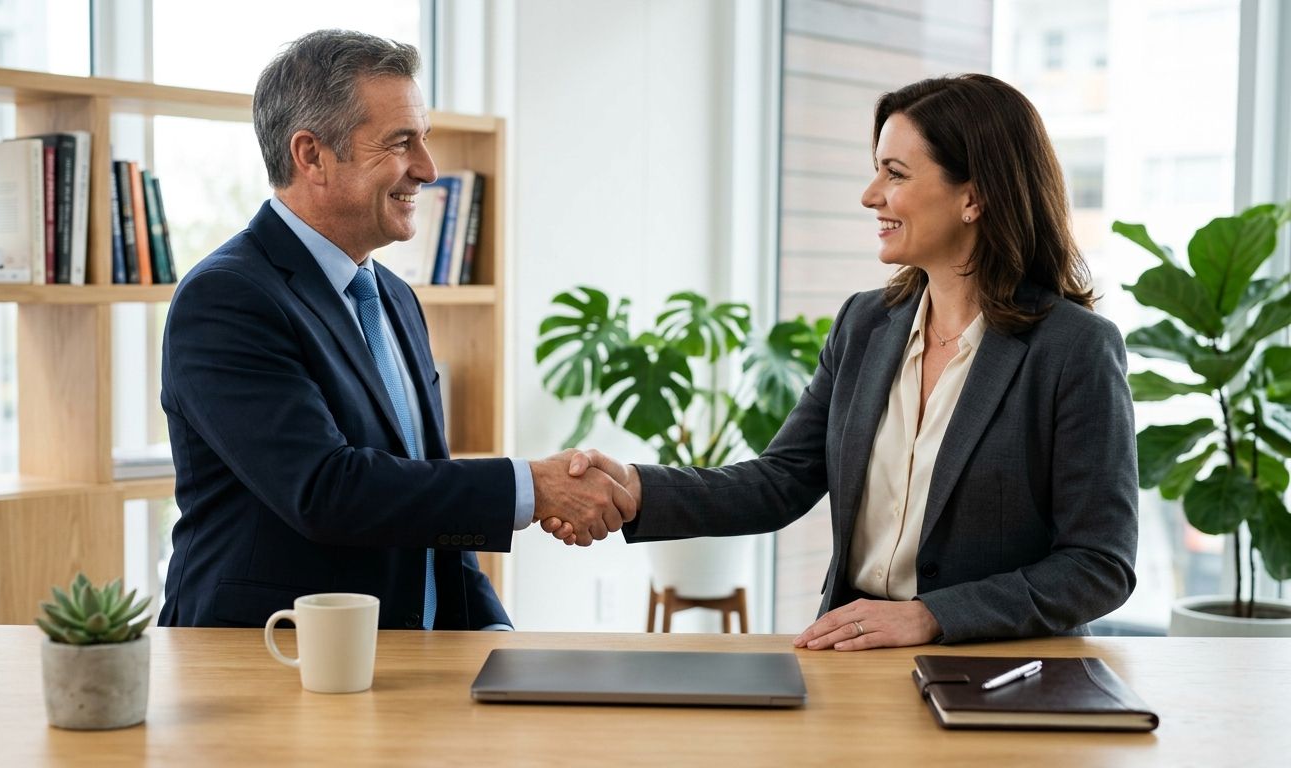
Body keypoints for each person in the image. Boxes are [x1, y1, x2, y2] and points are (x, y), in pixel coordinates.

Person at [550, 74, 1138, 649]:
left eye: (896, 174)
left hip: (1001, 670)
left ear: (974, 196)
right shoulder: (865, 325)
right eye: (876, 169)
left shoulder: (1074, 350)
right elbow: (780, 480)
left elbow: (1099, 563)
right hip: (855, 653)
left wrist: (933, 616)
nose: (870, 194)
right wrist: (634, 487)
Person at [159, 30, 633, 631]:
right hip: (270, 667)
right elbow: (327, 491)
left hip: (402, 669)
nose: (428, 170)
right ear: (311, 155)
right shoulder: (226, 298)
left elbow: (426, 498)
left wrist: (492, 632)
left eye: (424, 140)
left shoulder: (396, 298)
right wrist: (533, 488)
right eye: (401, 143)